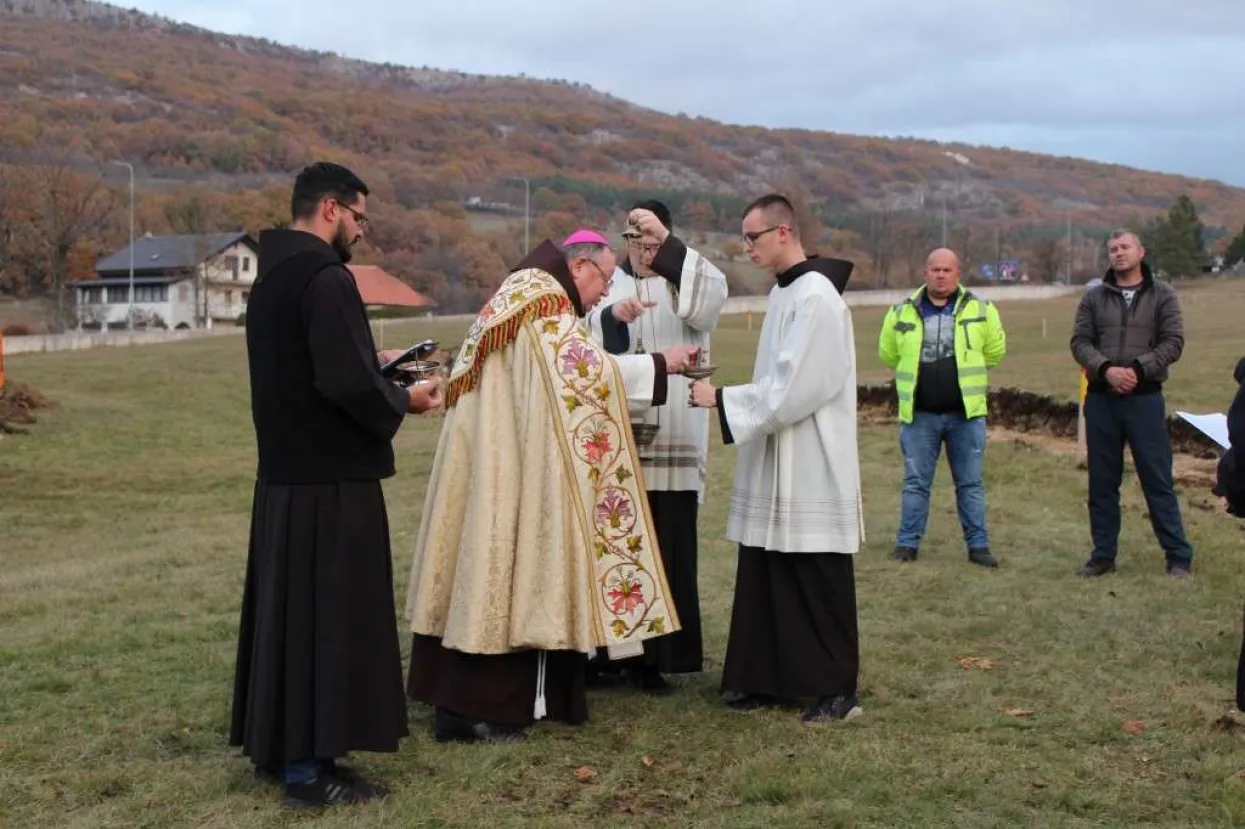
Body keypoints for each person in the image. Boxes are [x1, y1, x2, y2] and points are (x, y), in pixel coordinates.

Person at [404, 229, 703, 743]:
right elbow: (584, 375)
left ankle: (456, 704)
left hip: (492, 456)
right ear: (581, 266)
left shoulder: (520, 291)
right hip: (508, 467)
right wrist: (660, 364)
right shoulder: (544, 303)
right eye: (605, 280)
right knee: (503, 570)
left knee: (475, 573)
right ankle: (485, 707)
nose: (605, 293)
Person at [230, 162, 444, 809]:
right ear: (330, 208)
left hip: (285, 478)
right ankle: (309, 771)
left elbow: (312, 367)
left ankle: (282, 749)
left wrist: (370, 362)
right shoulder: (326, 278)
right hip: (329, 481)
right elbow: (344, 386)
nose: (360, 230)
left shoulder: (271, 277)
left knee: (289, 619)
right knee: (327, 620)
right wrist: (403, 397)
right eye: (358, 216)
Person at [689, 194, 864, 725]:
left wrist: (722, 398)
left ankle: (836, 689)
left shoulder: (816, 298)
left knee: (815, 570)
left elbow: (796, 388)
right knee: (767, 566)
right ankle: (764, 677)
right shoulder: (785, 293)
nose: (747, 247)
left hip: (811, 453)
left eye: (753, 237)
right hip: (776, 451)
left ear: (784, 231)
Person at [584, 200, 728, 692]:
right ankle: (614, 655)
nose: (641, 250)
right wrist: (613, 319)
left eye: (649, 241)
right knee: (619, 544)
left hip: (673, 432)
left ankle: (660, 658)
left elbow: (709, 300)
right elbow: (585, 342)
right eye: (633, 239)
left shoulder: (683, 277)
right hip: (620, 436)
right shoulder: (611, 284)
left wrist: (667, 248)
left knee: (669, 546)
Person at [1070, 229, 1193, 578]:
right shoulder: (1094, 298)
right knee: (1102, 483)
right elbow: (1080, 342)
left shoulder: (1163, 295)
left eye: (1125, 247)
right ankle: (1103, 556)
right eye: (1112, 249)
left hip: (1144, 402)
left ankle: (1178, 556)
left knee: (1157, 480)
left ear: (1141, 251)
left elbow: (1174, 343)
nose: (1119, 253)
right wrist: (1106, 370)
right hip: (1101, 402)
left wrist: (1138, 369)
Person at [877, 248, 1006, 568]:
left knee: (970, 484)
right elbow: (888, 354)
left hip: (966, 415)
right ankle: (907, 545)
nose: (941, 275)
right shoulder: (900, 312)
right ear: (925, 273)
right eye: (935, 269)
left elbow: (994, 351)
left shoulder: (982, 309)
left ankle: (978, 547)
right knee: (916, 483)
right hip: (919, 416)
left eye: (947, 270)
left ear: (957, 274)